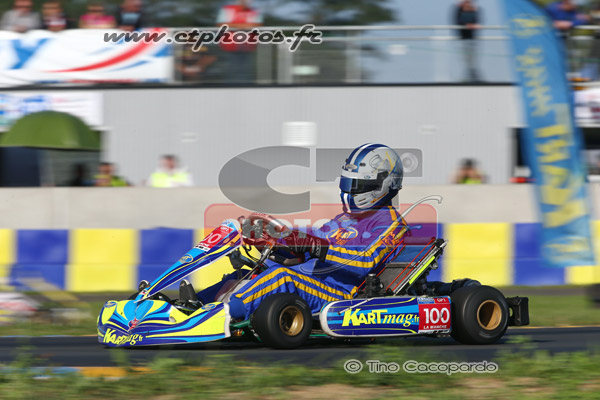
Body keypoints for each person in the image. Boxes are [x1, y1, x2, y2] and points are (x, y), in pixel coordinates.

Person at [191, 144, 408, 320]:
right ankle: (192, 306)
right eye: (348, 184)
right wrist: (275, 241)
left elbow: (365, 262)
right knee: (250, 271)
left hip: (342, 296)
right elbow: (305, 252)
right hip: (313, 281)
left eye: (358, 185)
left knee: (281, 277)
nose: (351, 191)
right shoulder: (344, 219)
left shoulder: (391, 224)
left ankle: (220, 316)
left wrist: (317, 247)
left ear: (384, 184)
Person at [216, 0, 263, 83]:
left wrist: (234, 26)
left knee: (246, 72)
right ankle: (230, 89)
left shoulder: (254, 11)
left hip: (248, 46)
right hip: (229, 46)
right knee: (230, 71)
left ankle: (246, 89)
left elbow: (258, 25)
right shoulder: (227, 9)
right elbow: (221, 24)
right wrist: (243, 26)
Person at [454, 0, 481, 82]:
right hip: (463, 39)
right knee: (466, 60)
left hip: (471, 39)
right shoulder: (459, 9)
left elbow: (476, 21)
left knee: (471, 60)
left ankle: (472, 78)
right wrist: (467, 24)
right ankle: (468, 78)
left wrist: (473, 24)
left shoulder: (474, 9)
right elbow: (458, 21)